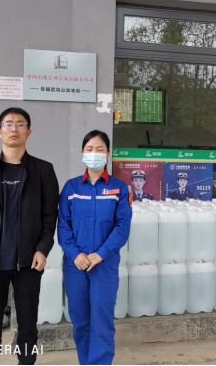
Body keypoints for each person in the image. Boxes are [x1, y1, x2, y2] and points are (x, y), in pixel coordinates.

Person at [0, 107, 59, 365]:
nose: (14, 128)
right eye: (8, 124)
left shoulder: (43, 170)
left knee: (28, 324)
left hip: (28, 262)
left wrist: (42, 248)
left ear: (29, 132)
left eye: (20, 124)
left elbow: (50, 216)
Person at [58, 130, 132, 365]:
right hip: (75, 265)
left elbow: (122, 226)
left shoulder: (119, 188)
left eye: (100, 149)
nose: (94, 153)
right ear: (82, 152)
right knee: (80, 320)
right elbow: (63, 226)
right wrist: (75, 254)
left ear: (108, 153)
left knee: (101, 321)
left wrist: (101, 254)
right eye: (89, 149)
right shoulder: (71, 187)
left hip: (104, 265)